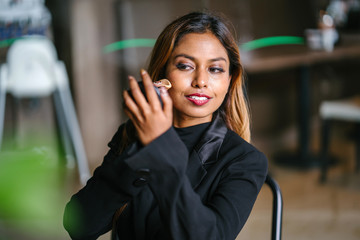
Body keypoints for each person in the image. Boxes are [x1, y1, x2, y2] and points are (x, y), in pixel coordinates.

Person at [63, 11, 268, 240]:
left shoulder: (244, 160)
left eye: (215, 69)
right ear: (162, 75)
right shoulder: (134, 135)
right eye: (185, 66)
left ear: (229, 79)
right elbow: (79, 225)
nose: (201, 81)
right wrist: (141, 150)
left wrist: (160, 148)